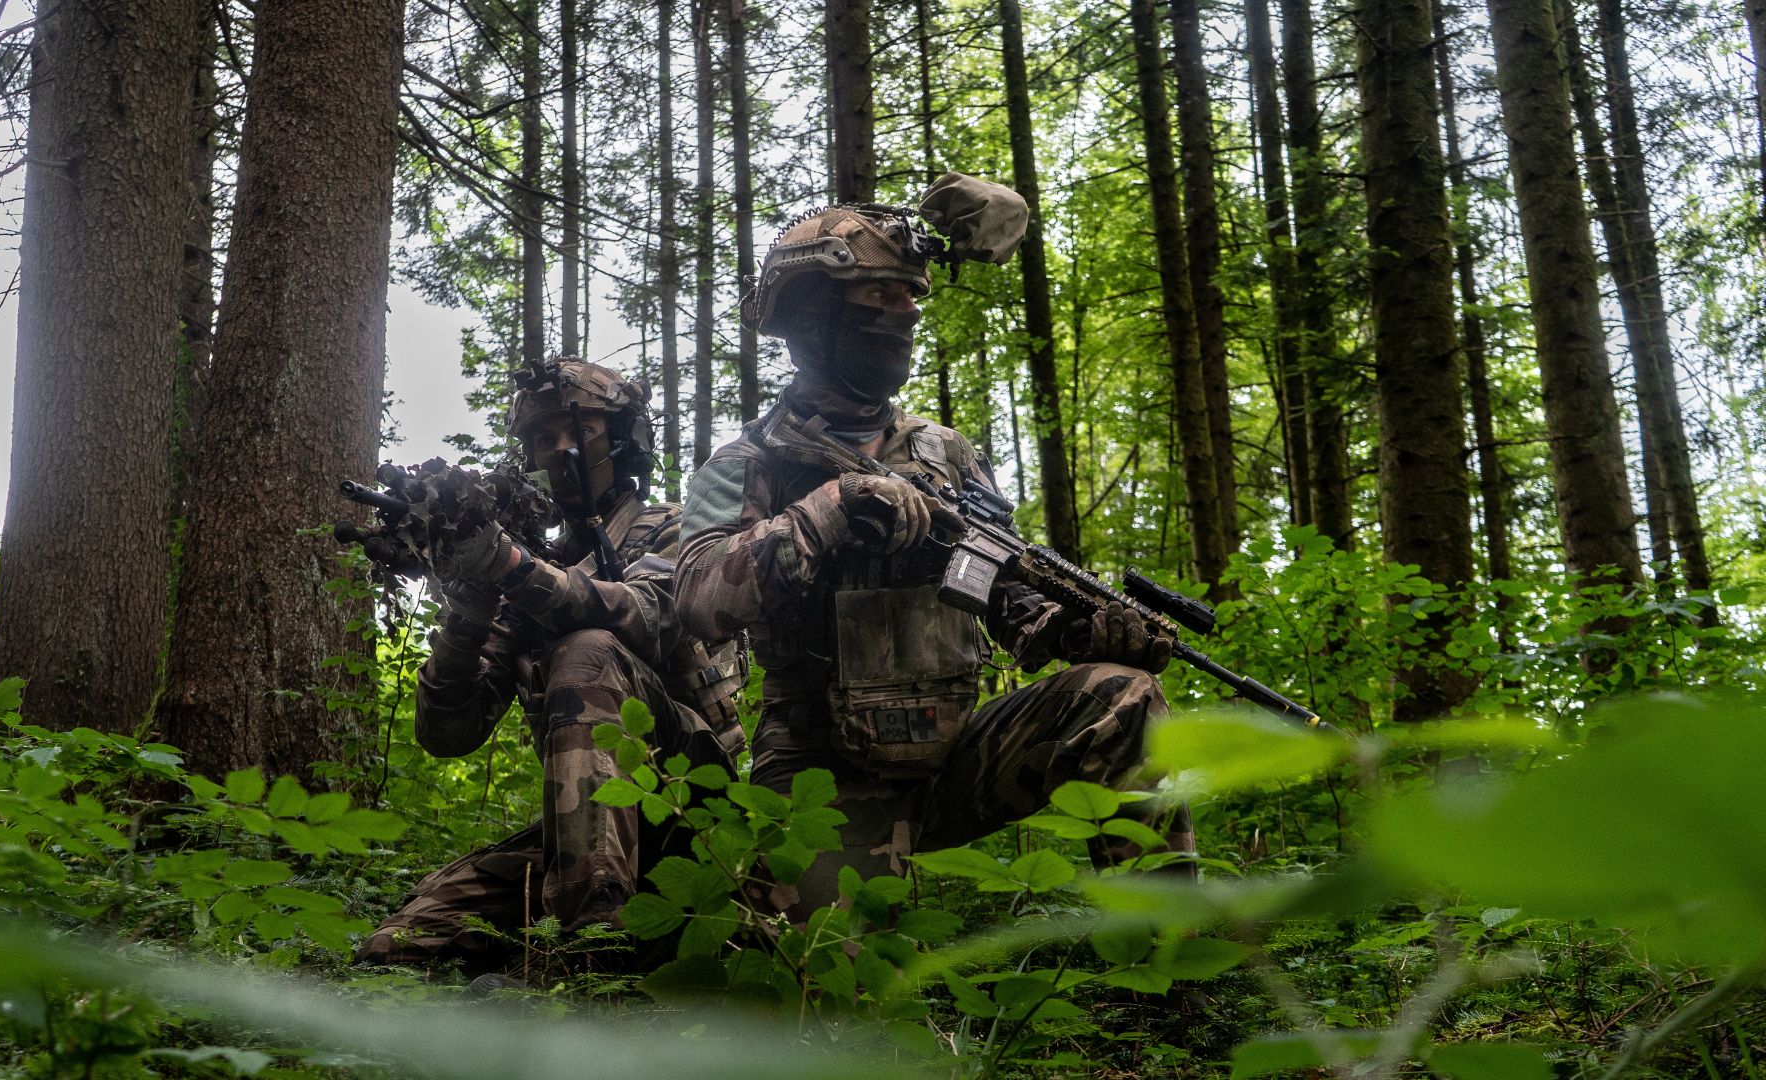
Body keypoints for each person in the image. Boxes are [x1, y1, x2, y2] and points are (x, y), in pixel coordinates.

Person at [672, 175, 1189, 917]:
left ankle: (1166, 956)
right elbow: (696, 599)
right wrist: (833, 507)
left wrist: (1073, 626)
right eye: (884, 296)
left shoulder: (945, 452)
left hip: (954, 752)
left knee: (1121, 693)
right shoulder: (750, 460)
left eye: (913, 295)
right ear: (817, 316)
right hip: (821, 768)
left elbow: (1006, 592)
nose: (909, 311)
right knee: (826, 992)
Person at [357, 358, 745, 974]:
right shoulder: (528, 563)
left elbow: (644, 616)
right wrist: (471, 603)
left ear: (624, 438)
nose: (561, 448)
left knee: (586, 649)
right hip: (589, 831)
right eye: (544, 437)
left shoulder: (674, 529)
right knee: (395, 953)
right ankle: (555, 946)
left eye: (580, 429)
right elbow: (447, 733)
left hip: (693, 800)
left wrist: (512, 569)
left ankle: (591, 953)